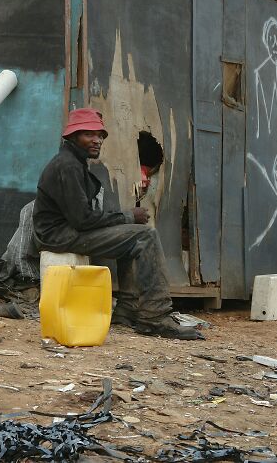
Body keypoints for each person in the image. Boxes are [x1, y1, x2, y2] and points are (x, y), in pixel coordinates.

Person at [33, 108, 203, 340]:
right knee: (145, 236)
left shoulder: (74, 161)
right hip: (60, 235)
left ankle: (127, 309)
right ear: (73, 136)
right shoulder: (67, 165)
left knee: (134, 236)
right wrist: (128, 216)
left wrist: (125, 221)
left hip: (66, 231)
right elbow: (83, 220)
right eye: (89, 135)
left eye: (100, 135)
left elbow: (84, 217)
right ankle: (155, 316)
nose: (97, 140)